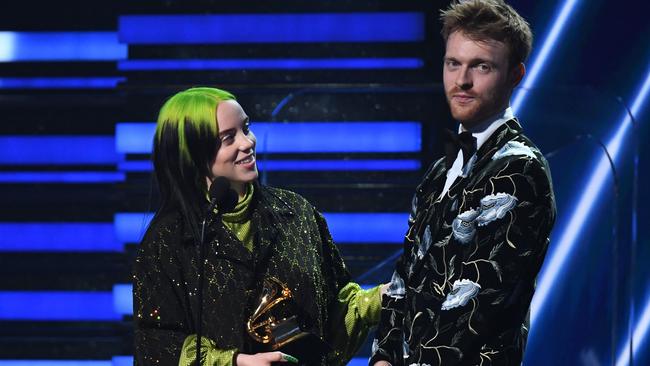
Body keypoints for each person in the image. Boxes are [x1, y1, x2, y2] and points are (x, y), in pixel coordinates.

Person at [133, 87, 384, 366]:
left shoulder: (296, 212)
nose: (247, 142)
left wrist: (386, 298)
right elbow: (155, 345)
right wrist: (235, 362)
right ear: (192, 153)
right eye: (228, 138)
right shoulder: (167, 241)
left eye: (246, 128)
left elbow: (336, 310)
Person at [370, 1, 556, 365]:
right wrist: (382, 358)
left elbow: (474, 307)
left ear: (515, 75)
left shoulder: (521, 169)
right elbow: (403, 281)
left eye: (481, 66)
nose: (462, 80)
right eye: (453, 63)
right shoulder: (439, 171)